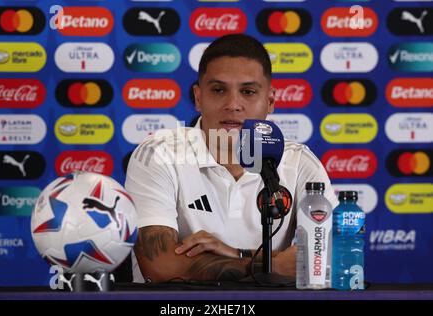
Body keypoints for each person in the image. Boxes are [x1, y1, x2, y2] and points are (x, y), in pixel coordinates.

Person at [125, 34, 338, 283]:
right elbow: (161, 266)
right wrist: (269, 266)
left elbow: (329, 258)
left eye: (248, 91)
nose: (233, 104)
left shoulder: (299, 163)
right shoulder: (158, 153)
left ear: (270, 102)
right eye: (218, 90)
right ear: (198, 97)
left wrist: (236, 253)